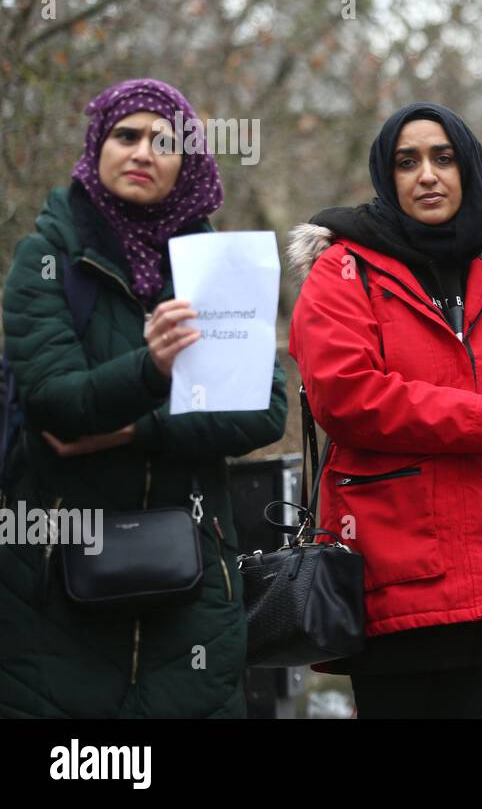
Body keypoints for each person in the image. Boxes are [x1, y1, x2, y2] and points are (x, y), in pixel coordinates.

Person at [0, 78, 287, 717]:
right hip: (54, 592)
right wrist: (153, 370)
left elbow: (264, 409)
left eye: (165, 141)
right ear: (95, 147)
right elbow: (56, 405)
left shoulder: (218, 266)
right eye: (125, 135)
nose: (143, 152)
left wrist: (139, 429)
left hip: (193, 597)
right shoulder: (46, 260)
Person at [287, 102, 482, 719]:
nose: (427, 175)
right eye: (408, 162)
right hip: (388, 578)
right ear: (386, 177)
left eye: (443, 158)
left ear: (469, 170)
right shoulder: (343, 270)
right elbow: (345, 396)